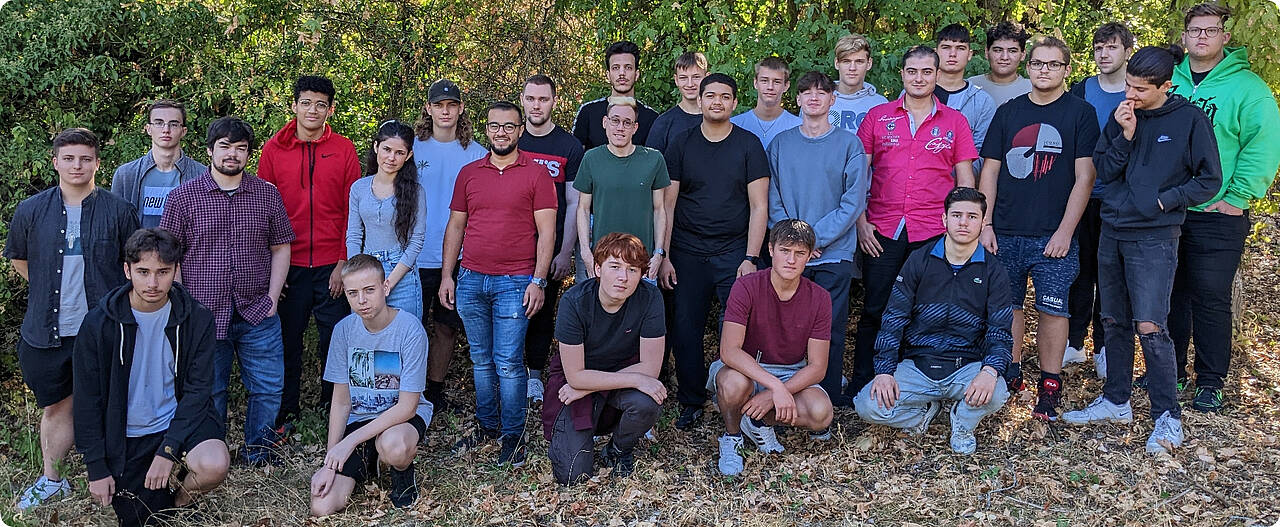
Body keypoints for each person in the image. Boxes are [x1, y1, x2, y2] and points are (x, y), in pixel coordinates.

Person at [1062, 45, 1222, 455]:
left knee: (1150, 326)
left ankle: (1167, 416)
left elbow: (1209, 179)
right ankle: (1116, 401)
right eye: (1128, 86)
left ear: (1165, 86)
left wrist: (1167, 201)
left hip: (1155, 237)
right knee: (1113, 319)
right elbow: (1104, 168)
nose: (1130, 95)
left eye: (1139, 89)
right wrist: (1126, 136)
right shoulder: (1122, 116)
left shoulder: (1189, 119)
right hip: (1113, 230)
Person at [5, 128, 139, 509]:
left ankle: (118, 475)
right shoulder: (31, 210)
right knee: (56, 406)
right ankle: (52, 480)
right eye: (68, 158)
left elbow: (133, 265)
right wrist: (49, 288)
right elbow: (19, 258)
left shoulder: (119, 211)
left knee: (112, 403)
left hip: (102, 328)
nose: (76, 165)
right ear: (55, 162)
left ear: (97, 163)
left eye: (84, 158)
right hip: (47, 330)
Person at [845, 46, 978, 402]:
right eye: (912, 71)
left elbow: (965, 181)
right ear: (902, 74)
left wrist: (960, 229)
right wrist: (860, 223)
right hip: (882, 228)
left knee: (925, 311)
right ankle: (863, 383)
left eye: (926, 71)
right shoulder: (878, 117)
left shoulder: (955, 122)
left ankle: (913, 387)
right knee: (875, 307)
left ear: (937, 75)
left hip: (933, 232)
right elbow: (857, 176)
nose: (919, 78)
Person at [977, 36, 1100, 419]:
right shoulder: (1009, 112)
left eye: (1053, 64)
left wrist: (1065, 232)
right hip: (1005, 231)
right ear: (1028, 67)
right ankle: (1010, 373)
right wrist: (986, 223)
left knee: (1053, 310)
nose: (1044, 70)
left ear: (1067, 69)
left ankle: (1050, 384)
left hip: (1053, 235)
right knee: (1008, 307)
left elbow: (1085, 178)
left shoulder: (1081, 113)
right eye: (1038, 63)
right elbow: (990, 171)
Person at [160, 116, 295, 465]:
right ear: (209, 150)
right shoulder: (182, 198)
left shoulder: (266, 194)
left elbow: (281, 247)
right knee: (210, 391)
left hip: (257, 311)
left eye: (240, 148)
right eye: (224, 146)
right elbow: (168, 255)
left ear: (248, 154)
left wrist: (272, 298)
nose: (232, 154)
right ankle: (211, 456)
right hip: (204, 313)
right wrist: (183, 305)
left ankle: (259, 452)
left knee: (268, 388)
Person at [74, 228, 228, 527]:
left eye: (163, 272)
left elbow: (198, 390)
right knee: (145, 519)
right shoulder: (98, 324)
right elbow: (86, 399)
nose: (153, 283)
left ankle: (182, 501)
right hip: (127, 432)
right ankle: (162, 502)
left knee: (214, 464)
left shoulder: (197, 318)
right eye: (143, 272)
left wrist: (168, 451)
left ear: (176, 270)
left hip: (177, 420)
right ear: (127, 270)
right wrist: (96, 468)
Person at [1168, 2, 1280, 412]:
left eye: (1210, 30)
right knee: (1170, 294)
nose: (1202, 37)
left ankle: (1210, 380)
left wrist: (1236, 197)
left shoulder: (1248, 88)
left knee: (1211, 297)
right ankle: (1172, 370)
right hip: (1168, 210)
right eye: (1195, 30)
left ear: (1225, 37)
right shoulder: (1169, 81)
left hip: (1218, 214)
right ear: (1184, 36)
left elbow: (1263, 145)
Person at [440, 101, 557, 466]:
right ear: (486, 129)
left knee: (508, 362)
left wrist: (538, 281)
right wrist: (447, 275)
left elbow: (547, 232)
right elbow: (456, 226)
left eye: (509, 126)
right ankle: (487, 425)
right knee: (481, 360)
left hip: (515, 281)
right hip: (471, 278)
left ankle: (513, 436)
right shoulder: (469, 173)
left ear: (520, 130)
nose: (501, 132)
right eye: (494, 126)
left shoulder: (537, 175)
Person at [854, 188, 1013, 455]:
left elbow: (1000, 331)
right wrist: (884, 370)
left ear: (982, 222)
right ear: (944, 219)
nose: (964, 222)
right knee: (867, 406)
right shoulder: (920, 259)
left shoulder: (993, 271)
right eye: (957, 215)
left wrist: (989, 371)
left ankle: (962, 422)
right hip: (918, 365)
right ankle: (924, 413)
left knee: (997, 392)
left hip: (966, 366)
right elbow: (894, 318)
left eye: (972, 216)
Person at [660, 73, 770, 429]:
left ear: (734, 103)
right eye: (710, 96)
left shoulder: (749, 145)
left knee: (739, 329)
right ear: (700, 100)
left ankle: (738, 398)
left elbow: (759, 206)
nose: (717, 102)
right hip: (687, 251)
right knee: (685, 328)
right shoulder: (681, 143)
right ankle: (691, 400)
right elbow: (668, 204)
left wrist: (751, 257)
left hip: (734, 252)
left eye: (724, 96)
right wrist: (664, 255)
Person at [259, 75, 361, 433]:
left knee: (334, 339)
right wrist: (272, 268)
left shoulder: (344, 149)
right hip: (289, 263)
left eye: (320, 104)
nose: (312, 110)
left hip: (333, 263)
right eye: (306, 103)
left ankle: (332, 405)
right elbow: (263, 211)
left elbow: (352, 209)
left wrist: (343, 262)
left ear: (330, 109)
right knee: (287, 339)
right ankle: (286, 409)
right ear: (294, 105)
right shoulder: (274, 150)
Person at [766, 70, 869, 409]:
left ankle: (825, 398)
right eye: (807, 92)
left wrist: (812, 240)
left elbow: (853, 202)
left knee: (829, 330)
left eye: (822, 92)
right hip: (789, 256)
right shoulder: (781, 145)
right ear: (796, 98)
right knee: (785, 328)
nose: (814, 97)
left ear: (832, 99)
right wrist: (797, 244)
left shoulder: (849, 145)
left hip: (833, 254)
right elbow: (773, 199)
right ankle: (784, 395)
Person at [309, 254, 432, 515]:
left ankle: (401, 471)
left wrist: (348, 443)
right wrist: (330, 462)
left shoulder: (410, 330)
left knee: (394, 446)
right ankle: (371, 460)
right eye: (353, 293)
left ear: (385, 287)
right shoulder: (343, 331)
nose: (362, 300)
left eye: (369, 290)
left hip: (401, 419)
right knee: (321, 506)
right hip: (361, 419)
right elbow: (341, 402)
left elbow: (407, 407)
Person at [540, 233, 666, 485]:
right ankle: (579, 435)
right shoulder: (574, 301)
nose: (623, 277)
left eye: (632, 269)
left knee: (646, 400)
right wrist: (582, 385)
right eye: (615, 267)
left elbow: (651, 368)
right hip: (577, 382)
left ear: (642, 274)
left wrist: (586, 386)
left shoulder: (650, 298)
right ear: (597, 269)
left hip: (612, 379)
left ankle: (618, 449)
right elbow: (575, 376)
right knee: (573, 475)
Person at [711, 219, 834, 476]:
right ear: (770, 249)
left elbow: (818, 366)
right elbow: (729, 351)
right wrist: (775, 387)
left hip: (790, 371)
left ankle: (757, 420)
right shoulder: (746, 285)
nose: (791, 260)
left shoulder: (820, 298)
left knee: (821, 413)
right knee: (733, 384)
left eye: (799, 253)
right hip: (745, 367)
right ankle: (732, 436)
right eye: (784, 251)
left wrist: (777, 391)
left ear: (810, 256)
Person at [1065, 22, 1136, 376]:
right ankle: (1073, 342)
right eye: (1098, 48)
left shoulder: (1136, 93)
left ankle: (1105, 347)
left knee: (1111, 276)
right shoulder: (1081, 90)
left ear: (1127, 51)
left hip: (1120, 200)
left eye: (1111, 47)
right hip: (1082, 196)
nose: (1104, 54)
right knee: (1079, 272)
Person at [413, 79, 487, 414]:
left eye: (451, 105)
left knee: (446, 326)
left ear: (460, 108)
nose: (445, 111)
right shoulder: (412, 148)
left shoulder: (477, 154)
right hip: (413, 255)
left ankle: (435, 390)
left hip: (457, 257)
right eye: (439, 105)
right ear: (428, 108)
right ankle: (408, 391)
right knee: (410, 327)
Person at [518, 74, 586, 403]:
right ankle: (510, 372)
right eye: (531, 98)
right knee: (510, 311)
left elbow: (574, 202)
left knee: (542, 310)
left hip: (551, 246)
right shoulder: (511, 138)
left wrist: (565, 250)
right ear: (522, 100)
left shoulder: (569, 146)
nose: (536, 105)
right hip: (512, 245)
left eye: (543, 99)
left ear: (554, 102)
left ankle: (534, 374)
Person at [575, 97, 670, 281]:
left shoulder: (654, 160)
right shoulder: (591, 159)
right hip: (603, 260)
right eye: (615, 120)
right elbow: (583, 208)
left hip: (642, 261)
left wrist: (659, 253)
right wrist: (586, 252)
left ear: (635, 128)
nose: (620, 127)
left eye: (627, 123)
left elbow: (659, 209)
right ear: (605, 122)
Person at [346, 120, 427, 318]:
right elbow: (354, 235)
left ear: (408, 155)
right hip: (366, 269)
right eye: (387, 149)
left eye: (399, 153)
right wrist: (355, 275)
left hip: (402, 274)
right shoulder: (359, 188)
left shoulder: (416, 192)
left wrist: (389, 282)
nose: (391, 158)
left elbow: (416, 241)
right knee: (366, 333)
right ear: (376, 147)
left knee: (405, 333)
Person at [111, 100, 208, 228]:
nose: (166, 130)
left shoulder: (202, 175)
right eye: (159, 123)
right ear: (148, 129)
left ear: (183, 131)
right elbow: (115, 225)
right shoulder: (126, 175)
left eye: (173, 124)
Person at [573, 41, 660, 150]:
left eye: (628, 67)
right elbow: (575, 156)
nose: (622, 73)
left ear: (637, 74)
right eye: (615, 68)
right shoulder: (588, 112)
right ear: (608, 75)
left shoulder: (651, 118)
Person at [933, 24, 997, 173]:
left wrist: (945, 176)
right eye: (946, 47)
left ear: (969, 54)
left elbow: (981, 155)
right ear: (935, 53)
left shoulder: (982, 102)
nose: (952, 54)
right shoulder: (913, 94)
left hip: (961, 184)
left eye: (960, 48)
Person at [731, 57, 802, 148]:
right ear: (755, 83)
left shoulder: (799, 127)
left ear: (786, 86)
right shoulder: (734, 125)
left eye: (777, 82)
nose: (770, 87)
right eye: (764, 81)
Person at [646, 52, 708, 154]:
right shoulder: (664, 123)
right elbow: (651, 162)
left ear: (707, 78)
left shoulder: (718, 120)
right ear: (676, 80)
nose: (690, 84)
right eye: (683, 78)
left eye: (696, 77)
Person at [828, 33, 889, 132]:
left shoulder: (880, 104)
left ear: (869, 64)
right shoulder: (818, 100)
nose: (852, 68)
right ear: (836, 63)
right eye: (846, 61)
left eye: (859, 62)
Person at [967, 22, 1032, 107]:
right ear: (986, 52)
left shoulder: (1033, 90)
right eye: (998, 50)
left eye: (1012, 51)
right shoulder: (970, 87)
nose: (1004, 57)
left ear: (1023, 55)